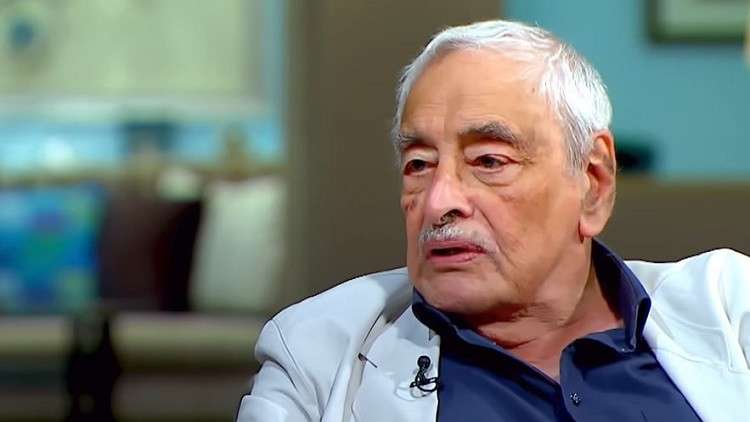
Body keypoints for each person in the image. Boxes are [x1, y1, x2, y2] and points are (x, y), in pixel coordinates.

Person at [236, 20, 750, 421]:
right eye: (419, 165)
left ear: (593, 182)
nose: (438, 202)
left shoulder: (731, 310)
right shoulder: (318, 355)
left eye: (488, 161)